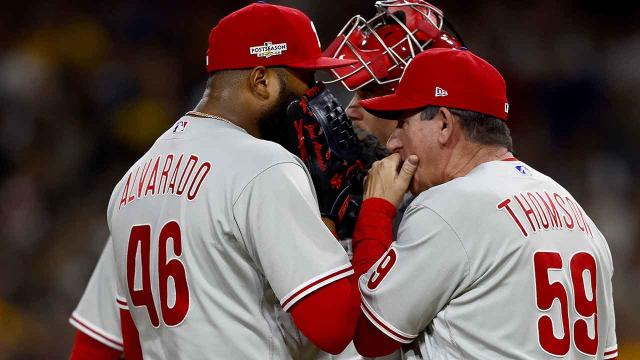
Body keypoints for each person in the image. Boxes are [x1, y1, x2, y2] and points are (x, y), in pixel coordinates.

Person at [70, 3, 365, 359]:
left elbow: (132, 344)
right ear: (261, 81)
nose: (312, 99)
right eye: (306, 82)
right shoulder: (265, 166)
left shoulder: (131, 182)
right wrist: (336, 218)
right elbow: (333, 329)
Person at [347, 48, 618, 359]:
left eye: (402, 124)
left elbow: (370, 335)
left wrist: (376, 209)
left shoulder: (447, 205)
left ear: (445, 124)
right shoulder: (573, 210)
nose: (393, 141)